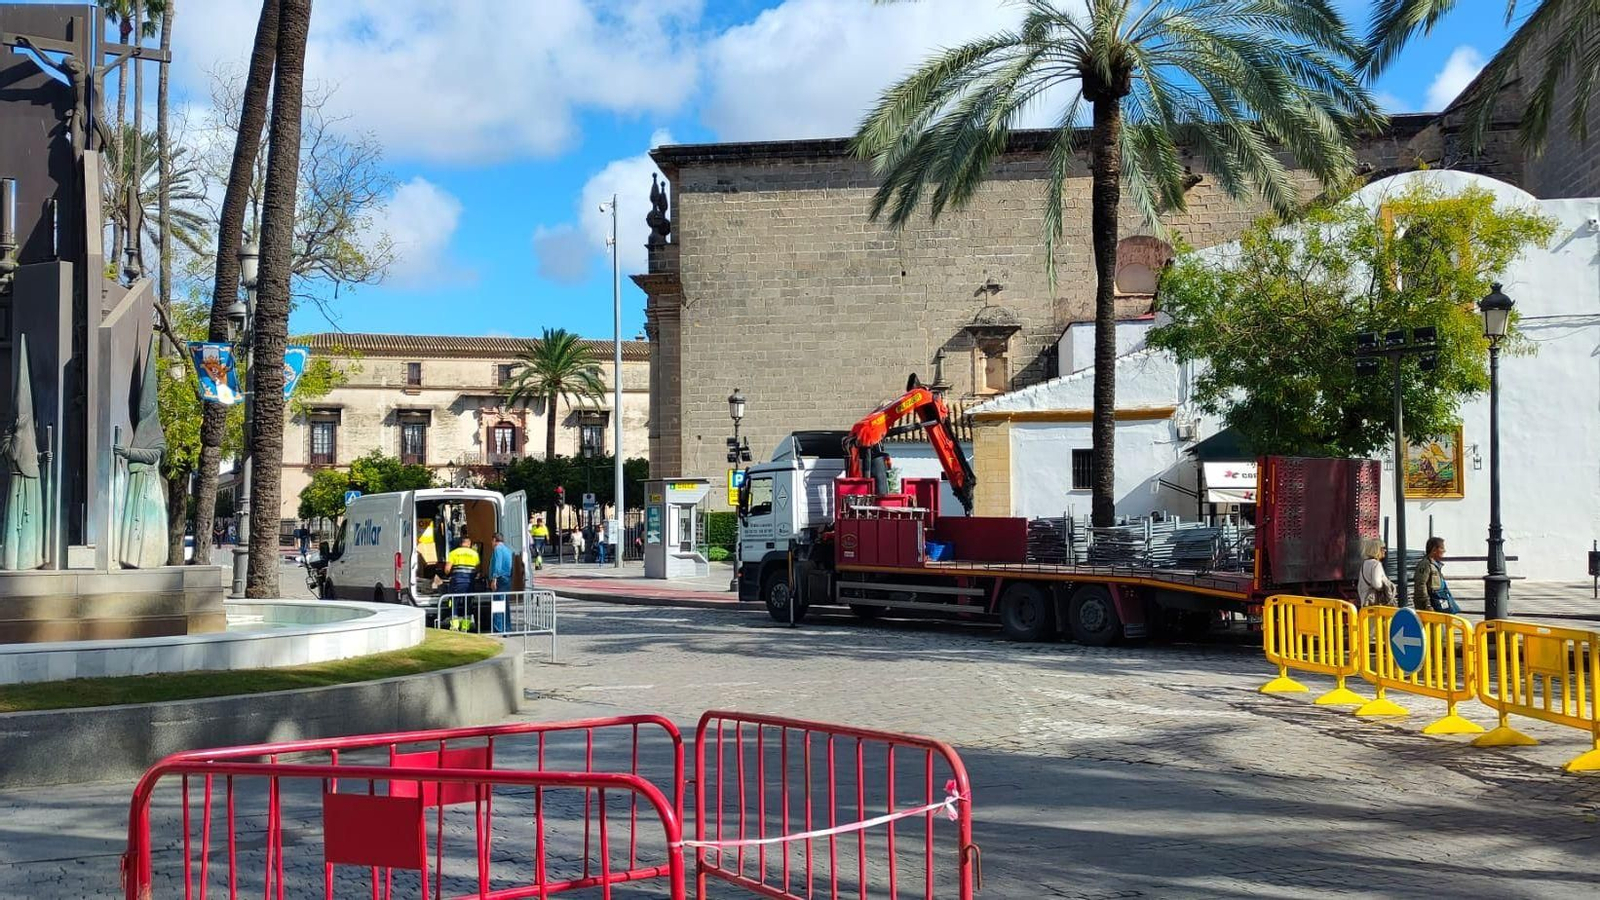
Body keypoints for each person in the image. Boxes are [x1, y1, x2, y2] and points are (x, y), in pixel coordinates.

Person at [1413, 537, 1460, 614]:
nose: (1444, 550)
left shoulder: (1436, 565)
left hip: (1438, 601)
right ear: (1434, 550)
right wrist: (1427, 605)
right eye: (1442, 548)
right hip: (1430, 605)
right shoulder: (1426, 564)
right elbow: (1421, 584)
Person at [444, 537, 480, 630]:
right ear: (469, 544)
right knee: (468, 603)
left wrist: (448, 574)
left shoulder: (453, 553)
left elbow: (447, 569)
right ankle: (465, 626)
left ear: (460, 544)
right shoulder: (474, 554)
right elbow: (478, 569)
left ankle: (454, 626)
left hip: (457, 582)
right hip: (469, 583)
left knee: (453, 603)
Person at [1357, 538, 1395, 607]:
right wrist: (1386, 584)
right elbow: (1377, 585)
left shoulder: (1364, 564)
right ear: (1377, 549)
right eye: (1383, 548)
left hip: (1365, 603)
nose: (1385, 550)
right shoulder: (1376, 564)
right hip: (1375, 605)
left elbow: (1359, 586)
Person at [488, 532, 513, 634]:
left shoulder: (497, 549)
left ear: (494, 540)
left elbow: (497, 565)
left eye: (492, 540)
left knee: (498, 603)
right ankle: (507, 627)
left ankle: (498, 628)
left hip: (500, 579)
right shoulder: (508, 550)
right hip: (507, 578)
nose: (491, 543)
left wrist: (494, 579)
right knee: (505, 604)